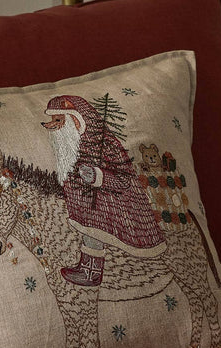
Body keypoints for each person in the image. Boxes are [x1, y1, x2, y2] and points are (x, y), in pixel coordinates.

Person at [41, 94, 166, 287]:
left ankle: (91, 273)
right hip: (91, 206)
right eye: (52, 120)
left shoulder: (104, 144)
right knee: (90, 229)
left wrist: (98, 176)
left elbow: (124, 180)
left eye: (59, 120)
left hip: (118, 204)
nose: (53, 126)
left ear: (75, 119)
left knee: (94, 230)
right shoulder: (71, 145)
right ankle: (87, 267)